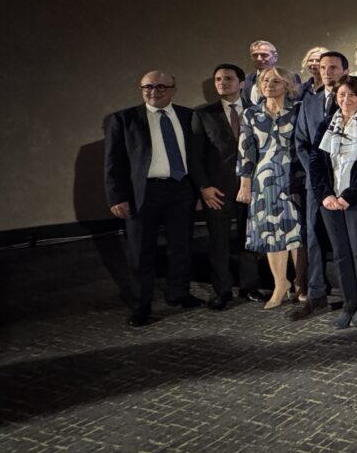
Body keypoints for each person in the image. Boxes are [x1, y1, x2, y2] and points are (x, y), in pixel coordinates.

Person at [103, 70, 201, 326]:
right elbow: (113, 163)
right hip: (142, 193)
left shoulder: (188, 116)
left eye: (160, 87)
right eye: (147, 87)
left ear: (172, 89)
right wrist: (117, 197)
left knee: (181, 247)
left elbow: (196, 155)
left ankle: (179, 293)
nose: (153, 92)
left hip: (180, 189)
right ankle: (140, 305)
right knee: (140, 252)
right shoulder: (123, 119)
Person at [311, 75, 357, 328]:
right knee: (341, 255)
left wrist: (347, 197)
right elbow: (316, 164)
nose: (346, 99)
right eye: (342, 94)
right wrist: (325, 195)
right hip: (330, 202)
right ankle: (348, 304)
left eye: (351, 95)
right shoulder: (325, 125)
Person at [188, 63, 262, 308]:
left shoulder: (257, 111)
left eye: (228, 79)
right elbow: (195, 156)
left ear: (242, 84)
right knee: (219, 241)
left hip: (250, 187)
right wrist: (204, 187)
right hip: (217, 190)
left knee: (248, 238)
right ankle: (222, 290)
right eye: (218, 79)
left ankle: (250, 287)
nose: (222, 83)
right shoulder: (202, 114)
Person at [236, 66, 306, 309]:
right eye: (265, 80)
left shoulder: (298, 110)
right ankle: (280, 284)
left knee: (296, 231)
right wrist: (245, 184)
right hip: (263, 179)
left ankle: (301, 283)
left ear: (287, 85)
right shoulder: (251, 114)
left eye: (276, 81)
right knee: (271, 232)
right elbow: (246, 151)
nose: (269, 84)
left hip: (294, 177)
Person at [289, 50, 347, 320]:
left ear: (345, 71)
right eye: (323, 67)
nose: (327, 72)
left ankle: (351, 296)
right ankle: (316, 295)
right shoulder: (309, 103)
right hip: (316, 183)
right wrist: (316, 174)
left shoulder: (351, 100)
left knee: (344, 240)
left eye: (333, 67)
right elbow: (300, 142)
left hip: (345, 183)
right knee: (313, 237)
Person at [244, 40, 302, 104]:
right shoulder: (245, 79)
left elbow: (294, 100)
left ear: (275, 57)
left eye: (264, 55)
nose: (259, 59)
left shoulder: (290, 76)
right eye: (255, 55)